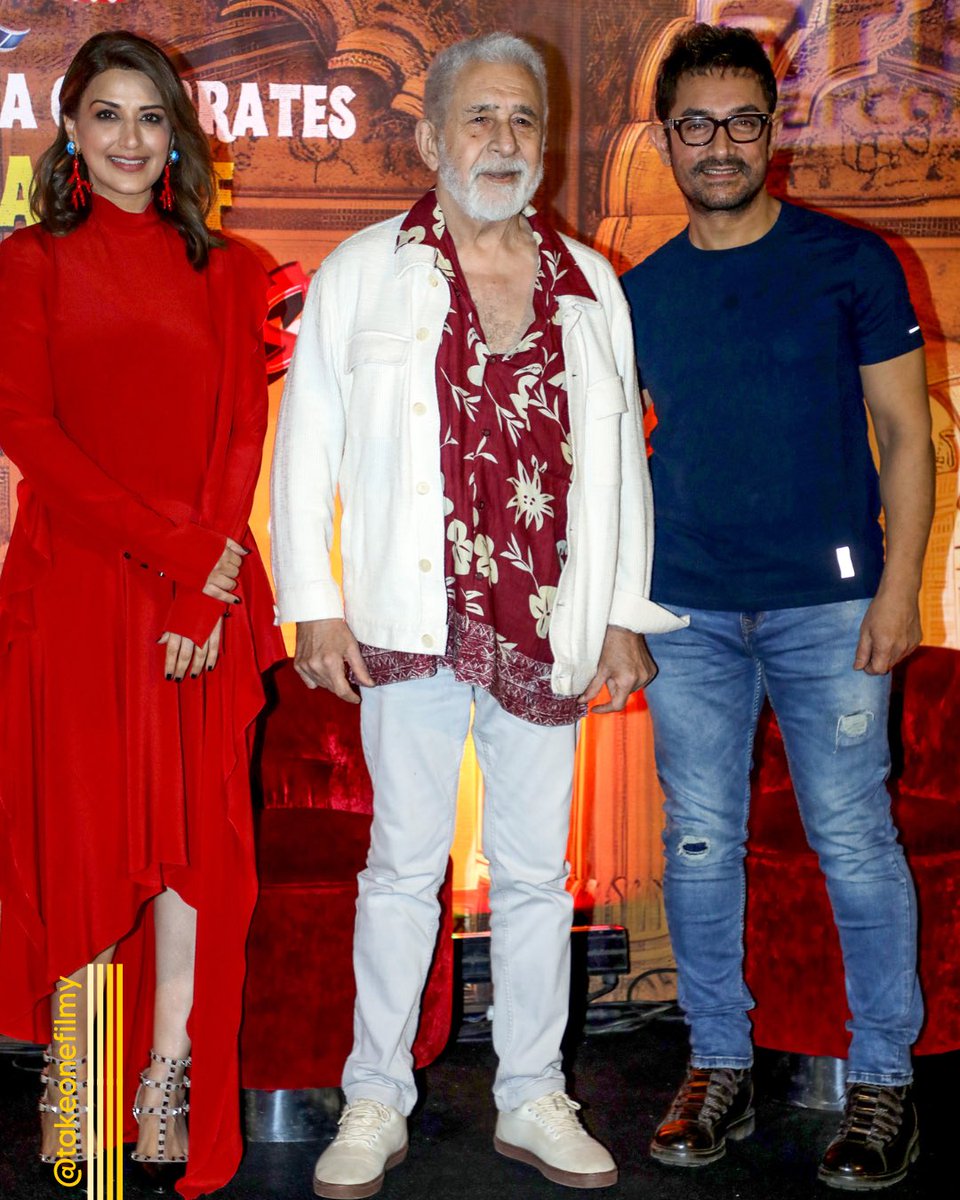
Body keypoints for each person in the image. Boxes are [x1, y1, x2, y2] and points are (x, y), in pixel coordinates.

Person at [271, 30, 682, 1198]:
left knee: (538, 875)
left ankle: (534, 1096)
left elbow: (621, 468)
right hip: (409, 614)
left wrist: (619, 615)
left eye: (522, 122)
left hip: (547, 619)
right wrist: (315, 605)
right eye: (481, 118)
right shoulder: (362, 269)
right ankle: (374, 1099)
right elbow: (305, 450)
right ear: (429, 135)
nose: (502, 142)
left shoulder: (590, 282)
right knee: (399, 868)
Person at [621, 22, 934, 1192]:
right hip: (689, 610)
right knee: (699, 844)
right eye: (694, 124)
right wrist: (618, 610)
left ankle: (883, 1085)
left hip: (832, 606)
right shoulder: (636, 293)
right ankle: (718, 1067)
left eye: (740, 121)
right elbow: (610, 465)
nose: (718, 145)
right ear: (665, 139)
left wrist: (900, 586)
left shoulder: (852, 263)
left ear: (773, 129)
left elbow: (907, 435)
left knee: (855, 840)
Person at [0, 31, 283, 1198]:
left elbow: (236, 439)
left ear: (178, 133)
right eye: (107, 116)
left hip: (198, 600)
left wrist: (195, 588)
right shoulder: (27, 264)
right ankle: (82, 1090)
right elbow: (29, 433)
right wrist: (170, 556)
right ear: (70, 130)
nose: (129, 139)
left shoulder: (231, 267)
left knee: (190, 860)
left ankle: (164, 1088)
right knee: (85, 851)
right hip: (73, 589)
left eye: (150, 117)